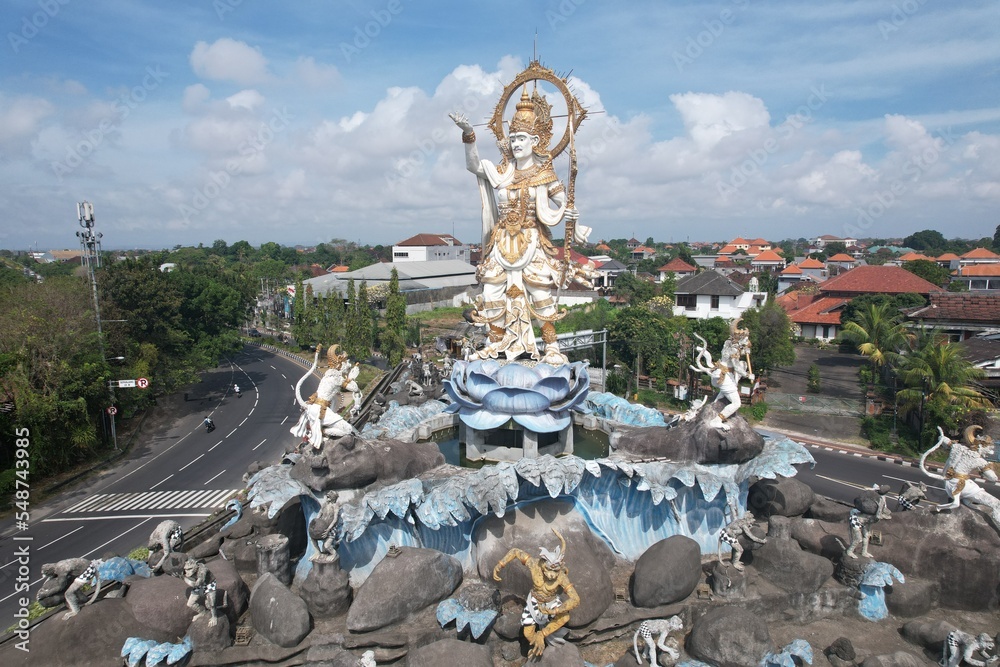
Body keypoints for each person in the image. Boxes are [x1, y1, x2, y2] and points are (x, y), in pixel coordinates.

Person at [450, 85, 593, 365]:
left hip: (531, 240)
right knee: (492, 291)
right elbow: (474, 166)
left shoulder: (544, 173)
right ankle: (495, 343)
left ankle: (551, 346)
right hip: (501, 240)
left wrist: (575, 224)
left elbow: (565, 205)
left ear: (535, 140)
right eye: (512, 138)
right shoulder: (503, 172)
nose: (515, 144)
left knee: (539, 292)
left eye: (521, 139)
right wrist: (468, 135)